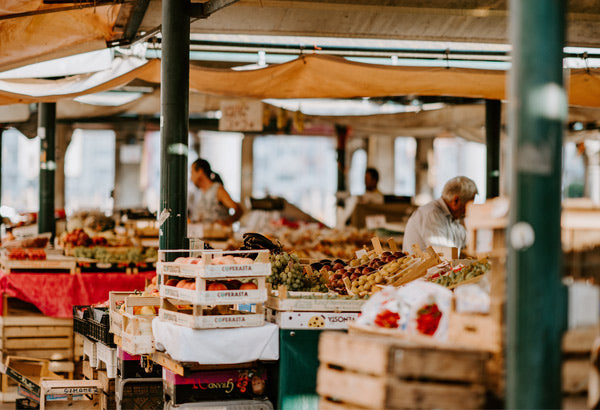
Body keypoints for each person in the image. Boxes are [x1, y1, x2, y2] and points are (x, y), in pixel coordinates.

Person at [402, 176, 478, 254]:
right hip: (424, 266)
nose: (469, 210)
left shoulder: (453, 218)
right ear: (456, 201)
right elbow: (445, 255)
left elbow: (468, 241)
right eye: (469, 204)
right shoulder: (431, 214)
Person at [188, 159, 243, 225]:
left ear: (200, 171)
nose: (191, 177)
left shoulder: (218, 190)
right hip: (204, 234)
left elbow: (239, 210)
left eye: (192, 172)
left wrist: (227, 222)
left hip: (218, 234)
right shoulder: (199, 193)